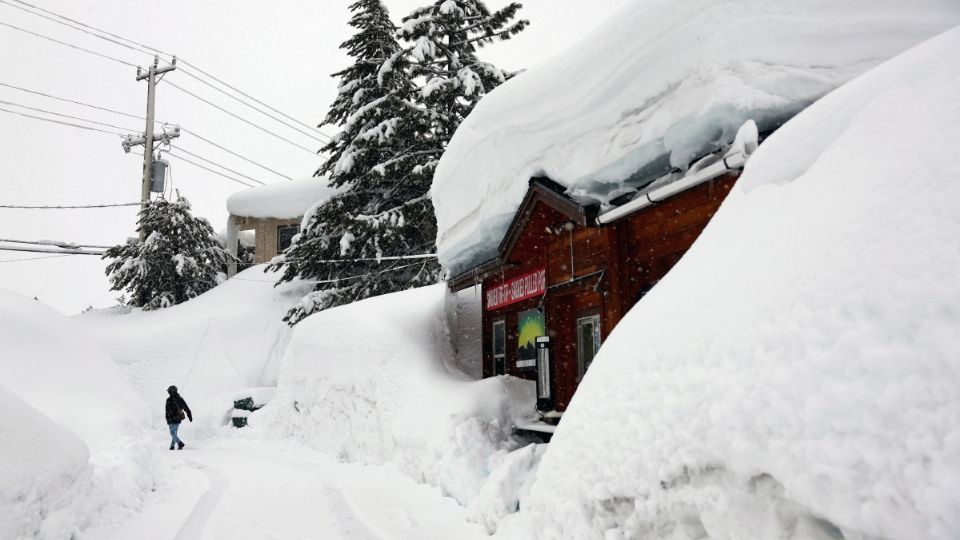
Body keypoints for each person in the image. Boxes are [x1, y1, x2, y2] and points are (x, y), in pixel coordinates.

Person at [165, 385, 193, 450]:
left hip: (172, 419)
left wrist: (167, 419)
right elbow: (186, 408)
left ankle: (180, 443)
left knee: (172, 433)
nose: (168, 392)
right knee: (174, 433)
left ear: (172, 391)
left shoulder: (169, 400)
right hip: (177, 419)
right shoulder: (179, 399)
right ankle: (172, 446)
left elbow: (167, 411)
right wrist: (189, 415)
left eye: (169, 391)